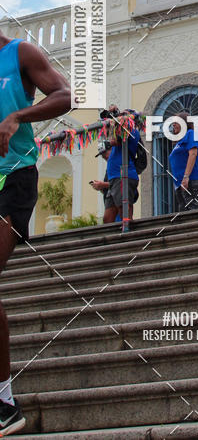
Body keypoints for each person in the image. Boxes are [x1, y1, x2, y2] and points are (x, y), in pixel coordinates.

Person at [0, 31, 71, 436]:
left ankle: (4, 402)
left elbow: (64, 95)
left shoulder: (20, 53)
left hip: (15, 177)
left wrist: (17, 117)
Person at [103, 107, 140, 225]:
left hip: (123, 175)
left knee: (124, 212)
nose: (120, 116)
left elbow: (113, 140)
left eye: (124, 114)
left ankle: (130, 237)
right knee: (107, 218)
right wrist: (111, 115)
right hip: (114, 176)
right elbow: (108, 128)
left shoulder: (131, 131)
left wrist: (113, 122)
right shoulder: (119, 129)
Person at [168, 112, 198, 212]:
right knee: (183, 213)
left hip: (190, 180)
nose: (173, 124)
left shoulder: (190, 134)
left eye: (176, 122)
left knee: (193, 211)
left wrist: (186, 177)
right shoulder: (179, 142)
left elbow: (193, 154)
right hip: (180, 183)